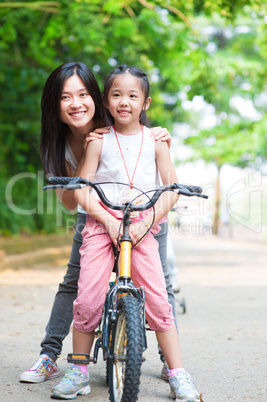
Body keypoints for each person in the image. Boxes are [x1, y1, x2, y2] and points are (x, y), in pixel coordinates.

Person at [19, 62, 176, 384]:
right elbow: (69, 200)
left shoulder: (119, 117)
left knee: (160, 282)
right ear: (55, 104)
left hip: (143, 214)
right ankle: (50, 356)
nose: (76, 103)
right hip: (94, 215)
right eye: (65, 97)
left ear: (96, 98)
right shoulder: (61, 143)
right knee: (75, 282)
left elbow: (145, 145)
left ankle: (168, 361)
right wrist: (89, 162)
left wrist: (160, 133)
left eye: (83, 94)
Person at [51, 65, 200, 401]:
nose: (124, 102)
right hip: (101, 222)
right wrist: (106, 219)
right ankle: (78, 371)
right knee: (87, 296)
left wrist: (148, 221)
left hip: (144, 224)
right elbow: (84, 188)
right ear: (106, 100)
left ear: (145, 103)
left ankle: (177, 373)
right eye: (116, 95)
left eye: (133, 96)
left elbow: (171, 187)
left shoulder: (156, 141)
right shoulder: (99, 141)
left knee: (159, 301)